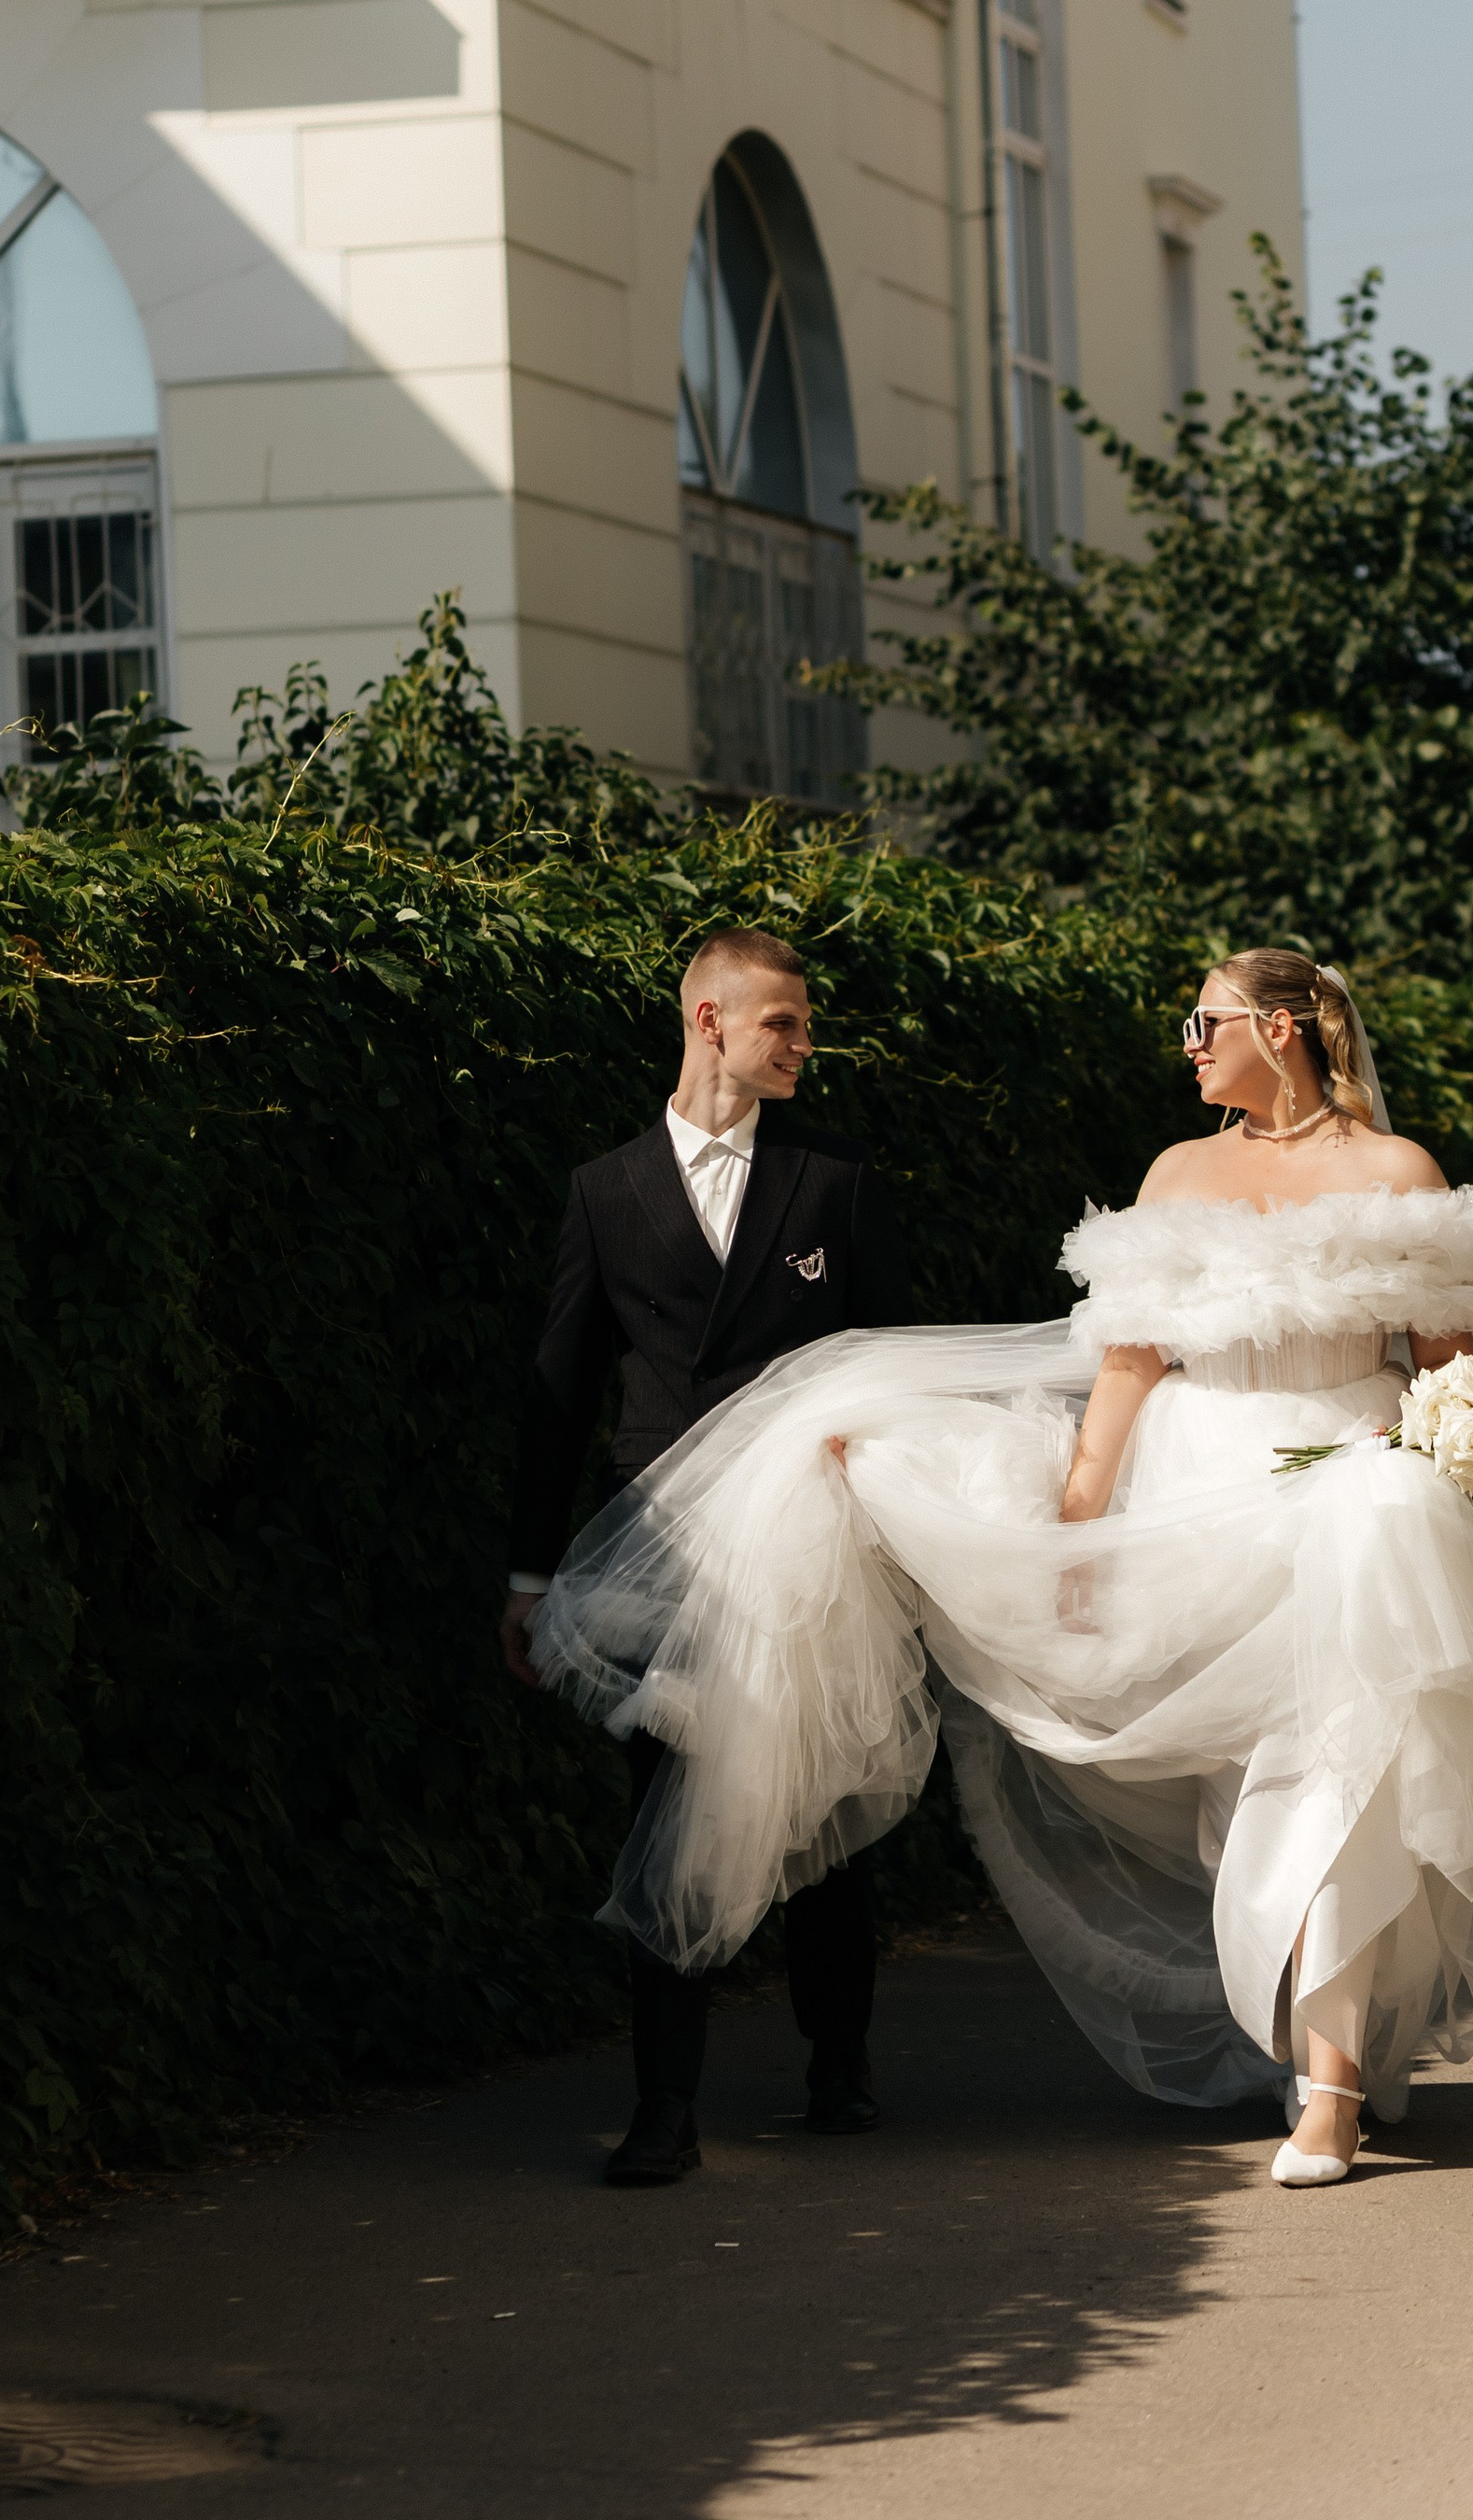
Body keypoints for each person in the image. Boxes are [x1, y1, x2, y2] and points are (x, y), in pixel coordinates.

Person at [532, 949, 1473, 2190]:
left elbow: (1439, 1372)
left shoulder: (1399, 1174)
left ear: (1287, 1027)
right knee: (1243, 1800)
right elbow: (1130, 1366)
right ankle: (1321, 2038)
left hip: (1352, 1496)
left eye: (1206, 1020)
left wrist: (1457, 1451)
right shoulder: (1178, 1175)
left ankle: (1335, 2088)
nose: (1188, 1043)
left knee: (1339, 1768)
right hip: (1203, 1501)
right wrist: (1079, 1526)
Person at [502, 925, 911, 2188]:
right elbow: (559, 1393)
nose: (803, 1043)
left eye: (804, 1022)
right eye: (781, 1022)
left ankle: (837, 2060)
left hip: (814, 1548)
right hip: (662, 1546)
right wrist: (525, 1576)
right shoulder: (605, 1189)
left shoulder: (838, 1177)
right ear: (708, 1021)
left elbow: (896, 1362)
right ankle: (663, 2111)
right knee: (671, 1815)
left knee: (830, 1809)